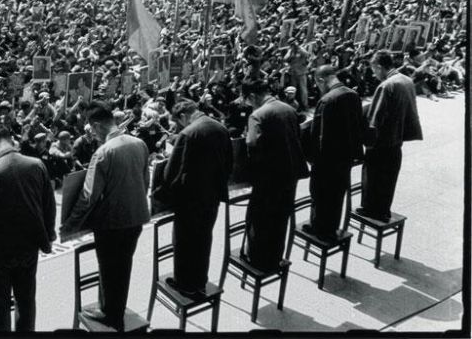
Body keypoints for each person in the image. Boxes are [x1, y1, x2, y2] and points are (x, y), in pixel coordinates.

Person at [61, 102, 150, 331]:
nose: (91, 135)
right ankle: (112, 308)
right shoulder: (139, 143)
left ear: (98, 125)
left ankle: (111, 316)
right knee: (123, 267)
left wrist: (69, 226)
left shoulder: (103, 153)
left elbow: (88, 196)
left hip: (112, 224)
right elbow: (145, 181)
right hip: (137, 217)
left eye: (90, 130)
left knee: (110, 270)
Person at [0, 122, 56, 332]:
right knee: (26, 302)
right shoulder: (36, 164)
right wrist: (48, 237)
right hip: (30, 247)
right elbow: (49, 205)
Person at [152, 99, 232, 295]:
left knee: (184, 242)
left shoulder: (188, 133)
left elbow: (171, 172)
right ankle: (200, 281)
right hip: (212, 195)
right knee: (204, 239)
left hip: (190, 200)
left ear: (183, 116)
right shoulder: (220, 127)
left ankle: (185, 284)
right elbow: (229, 161)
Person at [241, 79, 308, 271]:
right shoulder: (288, 109)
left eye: (248, 101)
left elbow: (252, 145)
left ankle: (258, 261)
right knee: (280, 218)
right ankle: (275, 258)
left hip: (269, 178)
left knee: (260, 220)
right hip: (291, 174)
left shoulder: (258, 115)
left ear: (253, 96)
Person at [358, 51, 422, 221]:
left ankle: (372, 211)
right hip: (397, 141)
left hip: (381, 144)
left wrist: (367, 143)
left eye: (374, 70)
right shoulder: (406, 80)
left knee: (373, 180)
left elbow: (375, 120)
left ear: (379, 67)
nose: (374, 74)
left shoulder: (386, 86)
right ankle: (383, 210)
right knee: (388, 182)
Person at [304, 65, 365, 239]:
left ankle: (319, 229)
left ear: (321, 80)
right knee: (337, 195)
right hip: (345, 158)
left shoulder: (327, 100)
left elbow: (318, 136)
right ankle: (331, 228)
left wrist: (312, 159)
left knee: (320, 196)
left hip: (326, 161)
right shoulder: (353, 95)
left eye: (318, 84)